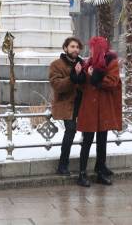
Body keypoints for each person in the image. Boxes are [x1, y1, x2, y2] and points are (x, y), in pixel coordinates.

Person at [76, 36, 122, 187]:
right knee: (87, 140)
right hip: (89, 107)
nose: (90, 50)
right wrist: (80, 75)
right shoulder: (88, 62)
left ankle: (100, 171)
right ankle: (82, 173)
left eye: (93, 47)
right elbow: (83, 87)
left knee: (102, 140)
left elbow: (112, 82)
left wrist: (94, 77)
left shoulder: (111, 62)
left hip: (103, 108)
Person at [49, 37, 86, 175]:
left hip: (82, 104)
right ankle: (63, 165)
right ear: (65, 48)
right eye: (72, 46)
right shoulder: (56, 65)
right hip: (66, 104)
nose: (75, 49)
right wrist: (72, 77)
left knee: (88, 134)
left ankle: (84, 168)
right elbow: (57, 86)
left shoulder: (82, 64)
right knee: (70, 131)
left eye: (77, 47)